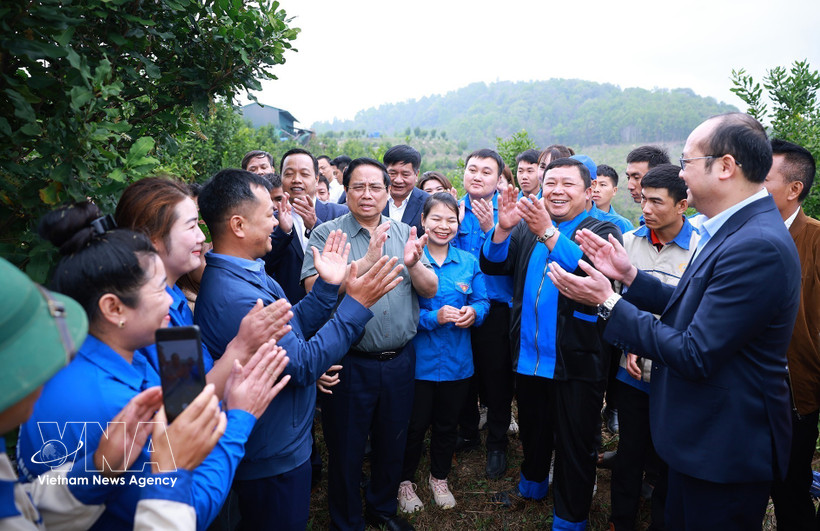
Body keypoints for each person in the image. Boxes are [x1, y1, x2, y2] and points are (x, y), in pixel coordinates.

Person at [548, 113, 801, 529]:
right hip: (703, 437)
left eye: (686, 162)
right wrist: (630, 276)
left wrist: (608, 301)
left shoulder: (756, 244)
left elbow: (696, 351)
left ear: (725, 166)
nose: (680, 173)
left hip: (724, 445)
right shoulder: (735, 228)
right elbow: (696, 308)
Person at [17, 201, 290, 530]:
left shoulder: (130, 342)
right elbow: (183, 509)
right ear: (114, 309)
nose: (202, 236)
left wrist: (232, 366)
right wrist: (240, 417)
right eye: (191, 225)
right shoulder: (113, 407)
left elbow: (182, 403)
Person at [194, 167, 402, 530]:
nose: (277, 222)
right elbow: (303, 363)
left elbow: (290, 326)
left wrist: (327, 287)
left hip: (280, 439)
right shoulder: (236, 295)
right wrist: (356, 305)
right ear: (238, 225)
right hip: (270, 453)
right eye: (269, 214)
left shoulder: (246, 271)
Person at [0, 256, 222, 531]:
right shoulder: (106, 402)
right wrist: (168, 478)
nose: (51, 370)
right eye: (30, 356)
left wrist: (97, 470)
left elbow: (22, 510)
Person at [482, 157, 621, 529]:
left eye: (568, 184)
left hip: (576, 358)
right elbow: (495, 264)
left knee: (575, 443)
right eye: (551, 183)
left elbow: (588, 268)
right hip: (530, 355)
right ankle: (531, 486)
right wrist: (502, 229)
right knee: (533, 428)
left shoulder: (601, 228)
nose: (557, 191)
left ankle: (569, 520)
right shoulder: (529, 228)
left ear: (589, 191)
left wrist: (547, 231)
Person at [301, 157, 438, 531]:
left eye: (375, 187)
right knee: (346, 447)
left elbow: (430, 289)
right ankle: (346, 521)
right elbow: (313, 291)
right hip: (349, 361)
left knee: (392, 440)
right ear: (345, 191)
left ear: (387, 191)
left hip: (399, 360)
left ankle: (382, 508)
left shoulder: (404, 231)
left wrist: (414, 265)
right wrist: (365, 262)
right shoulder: (328, 234)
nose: (366, 194)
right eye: (358, 187)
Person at [608, 164, 697, 530]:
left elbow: (694, 315)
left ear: (682, 205)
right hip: (631, 373)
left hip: (674, 372)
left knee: (668, 457)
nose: (646, 208)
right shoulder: (629, 242)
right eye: (644, 199)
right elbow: (615, 302)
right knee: (629, 451)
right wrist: (630, 342)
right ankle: (621, 520)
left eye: (656, 201)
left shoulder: (701, 248)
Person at [397, 193, 489, 513]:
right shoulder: (409, 260)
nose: (443, 226)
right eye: (436, 218)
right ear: (423, 220)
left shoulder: (468, 262)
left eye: (451, 220)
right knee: (414, 426)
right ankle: (404, 482)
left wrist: (474, 313)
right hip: (418, 363)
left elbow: (483, 301)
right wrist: (432, 318)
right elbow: (401, 312)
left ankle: (439, 477)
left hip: (457, 363)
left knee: (447, 425)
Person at [765, 139, 820, 529]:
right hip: (742, 388)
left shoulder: (815, 239)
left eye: (763, 177)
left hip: (796, 390)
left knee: (790, 488)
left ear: (793, 188)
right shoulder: (738, 234)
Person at [452, 149, 515, 481]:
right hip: (458, 306)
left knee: (496, 378)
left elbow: (514, 261)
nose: (477, 176)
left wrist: (495, 228)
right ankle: (467, 431)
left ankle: (497, 443)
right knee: (463, 374)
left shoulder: (510, 213)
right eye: (472, 169)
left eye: (486, 171)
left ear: (499, 178)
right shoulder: (450, 210)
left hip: (496, 308)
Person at [263, 148, 348, 304]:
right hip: (290, 308)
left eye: (304, 174)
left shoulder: (340, 213)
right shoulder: (269, 220)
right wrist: (284, 232)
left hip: (334, 308)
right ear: (281, 179)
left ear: (316, 179)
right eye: (289, 174)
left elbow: (350, 259)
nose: (296, 180)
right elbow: (264, 267)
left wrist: (315, 226)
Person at [382, 144, 430, 235]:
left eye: (405, 175)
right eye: (392, 173)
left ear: (416, 175)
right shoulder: (373, 198)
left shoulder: (428, 202)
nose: (398, 180)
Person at [594, 164, 634, 233]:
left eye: (603, 185)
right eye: (593, 184)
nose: (596, 189)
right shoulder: (577, 217)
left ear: (614, 191)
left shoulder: (621, 224)